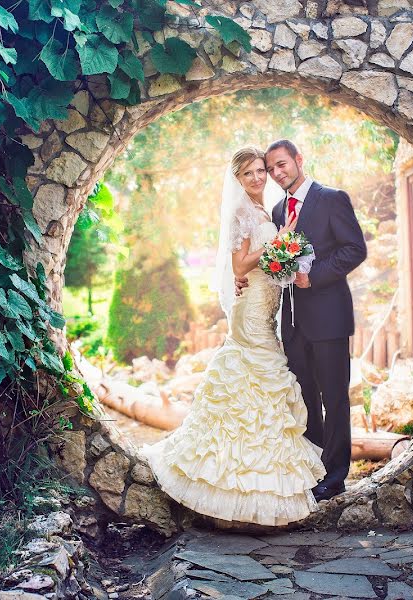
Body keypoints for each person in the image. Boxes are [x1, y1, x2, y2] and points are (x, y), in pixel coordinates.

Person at [142, 146, 325, 526]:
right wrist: (280, 242)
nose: (258, 178)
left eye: (261, 171)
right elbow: (240, 264)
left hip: (266, 305)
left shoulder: (265, 210)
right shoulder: (243, 211)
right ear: (238, 180)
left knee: (259, 386)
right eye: (248, 174)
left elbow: (263, 263)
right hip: (252, 312)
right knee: (252, 379)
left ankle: (253, 491)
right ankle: (227, 488)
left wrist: (287, 257)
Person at [237, 139, 367, 501]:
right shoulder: (278, 211)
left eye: (282, 165)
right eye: (272, 168)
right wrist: (242, 275)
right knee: (305, 396)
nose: (277, 173)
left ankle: (336, 474)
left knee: (335, 397)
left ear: (298, 160)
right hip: (291, 321)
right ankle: (314, 467)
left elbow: (355, 249)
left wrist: (315, 275)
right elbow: (270, 260)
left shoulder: (331, 199)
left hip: (329, 317)